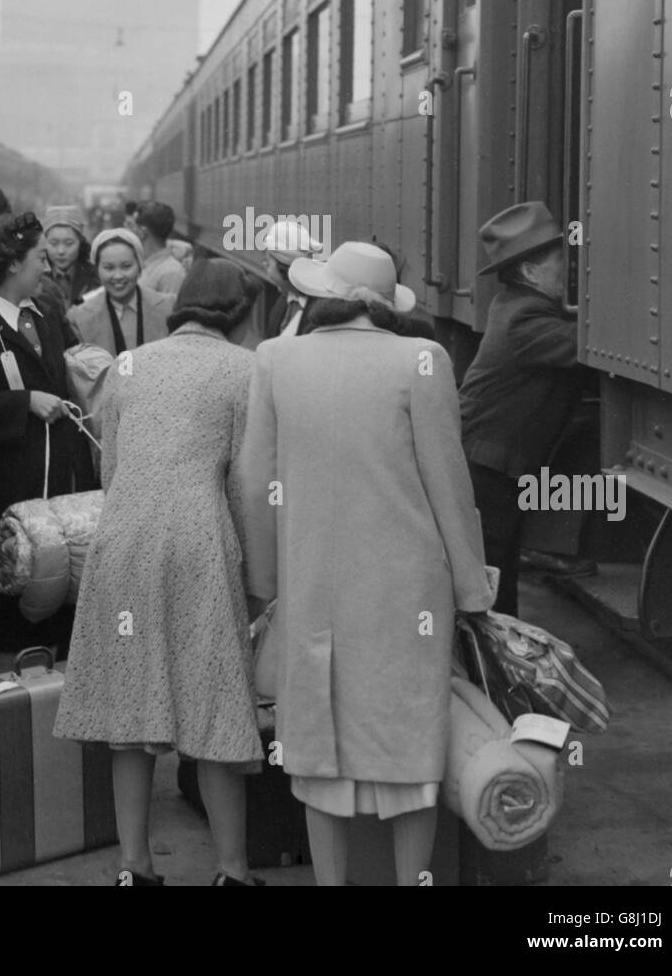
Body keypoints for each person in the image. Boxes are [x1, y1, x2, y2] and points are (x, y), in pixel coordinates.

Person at [238, 241, 493, 887]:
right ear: (387, 306)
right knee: (410, 754)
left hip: (311, 586)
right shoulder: (421, 360)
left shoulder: (276, 359)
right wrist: (472, 590)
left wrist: (265, 583)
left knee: (315, 761)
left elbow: (256, 483)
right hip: (406, 592)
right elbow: (448, 485)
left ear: (324, 295)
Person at [54, 260, 265, 887]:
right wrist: (255, 581)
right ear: (238, 312)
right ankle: (232, 871)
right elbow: (246, 483)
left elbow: (111, 467)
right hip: (200, 542)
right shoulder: (246, 369)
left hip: (121, 539)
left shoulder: (129, 365)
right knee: (217, 706)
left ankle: (134, 868)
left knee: (132, 708)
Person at [0, 213, 97, 662]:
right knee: (15, 577)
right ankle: (3, 685)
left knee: (58, 580)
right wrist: (23, 402)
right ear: (13, 263)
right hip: (6, 482)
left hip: (58, 480)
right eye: (39, 256)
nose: (47, 266)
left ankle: (51, 682)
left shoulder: (47, 315)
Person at [458, 202, 585, 617]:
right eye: (559, 259)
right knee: (493, 583)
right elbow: (585, 347)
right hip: (489, 470)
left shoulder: (513, 303)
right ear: (530, 271)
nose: (568, 267)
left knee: (497, 574)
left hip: (490, 464)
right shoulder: (525, 317)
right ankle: (488, 656)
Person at [68, 228, 174, 354]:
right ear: (97, 270)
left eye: (126, 266)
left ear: (140, 267)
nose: (118, 276)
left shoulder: (168, 307)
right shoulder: (79, 318)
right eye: (109, 268)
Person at [261, 220, 323, 337]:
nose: (264, 264)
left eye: (268, 261)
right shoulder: (285, 300)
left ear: (284, 268)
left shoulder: (319, 312)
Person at [42, 205, 98, 313]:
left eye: (69, 243)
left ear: (80, 242)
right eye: (54, 243)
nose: (61, 251)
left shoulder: (95, 277)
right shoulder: (36, 278)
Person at [133, 201, 187, 296]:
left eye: (133, 227)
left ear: (142, 232)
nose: (130, 232)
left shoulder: (171, 273)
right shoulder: (145, 265)